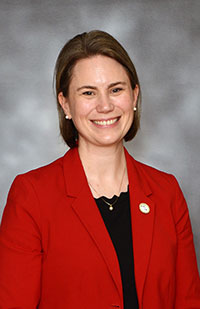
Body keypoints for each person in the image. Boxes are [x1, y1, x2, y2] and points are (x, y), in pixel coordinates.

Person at [0, 30, 200, 309]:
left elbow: (188, 302)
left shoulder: (167, 192)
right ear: (65, 104)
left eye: (116, 89)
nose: (105, 105)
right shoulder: (32, 195)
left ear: (134, 95)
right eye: (88, 93)